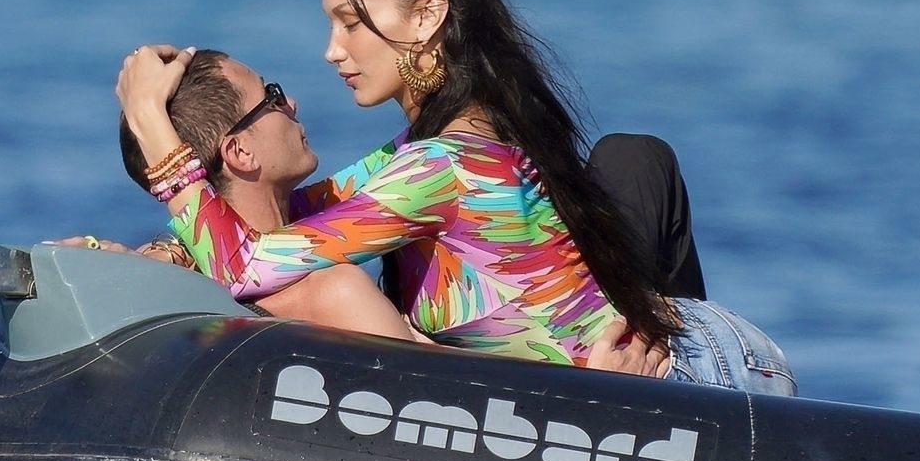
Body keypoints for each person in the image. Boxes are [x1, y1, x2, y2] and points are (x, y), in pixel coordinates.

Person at [118, 0, 793, 394]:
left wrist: (152, 124)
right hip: (668, 361)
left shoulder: (441, 167)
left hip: (702, 369)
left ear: (427, 16)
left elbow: (247, 265)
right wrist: (160, 252)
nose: (331, 51)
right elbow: (280, 229)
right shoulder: (417, 152)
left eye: (351, 23)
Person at [95, 47, 673, 376]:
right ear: (240, 153)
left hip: (660, 351)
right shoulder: (328, 283)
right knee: (633, 159)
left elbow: (238, 254)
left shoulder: (342, 211)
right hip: (618, 370)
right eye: (270, 97)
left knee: (632, 162)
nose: (290, 100)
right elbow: (238, 259)